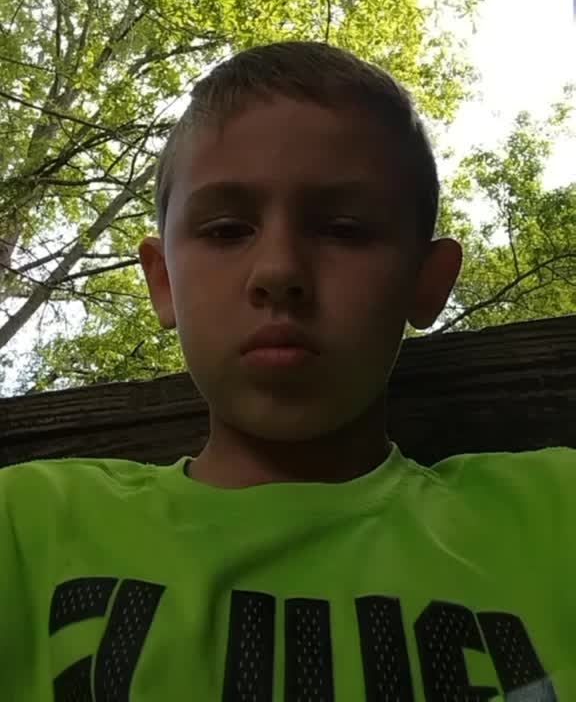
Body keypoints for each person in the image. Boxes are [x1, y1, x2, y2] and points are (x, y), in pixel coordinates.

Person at [1, 40, 574, 700]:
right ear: (162, 281)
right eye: (225, 230)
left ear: (427, 280)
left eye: (344, 229)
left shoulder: (557, 518)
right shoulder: (26, 527)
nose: (278, 271)